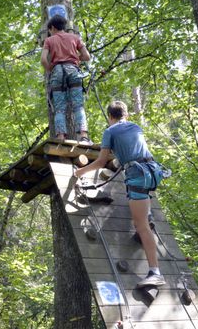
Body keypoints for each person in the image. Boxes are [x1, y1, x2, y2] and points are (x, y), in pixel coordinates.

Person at [75, 101, 165, 288]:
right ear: (126, 115)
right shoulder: (135, 127)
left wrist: (79, 173)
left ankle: (155, 273)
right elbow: (131, 151)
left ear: (110, 117)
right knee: (142, 211)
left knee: (140, 226)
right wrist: (115, 165)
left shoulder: (110, 131)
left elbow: (100, 162)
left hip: (138, 176)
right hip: (153, 172)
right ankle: (146, 216)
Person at [41, 15, 92, 143]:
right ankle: (83, 136)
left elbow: (43, 59)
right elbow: (86, 56)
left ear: (52, 27)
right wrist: (74, 58)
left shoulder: (49, 40)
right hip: (73, 70)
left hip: (57, 72)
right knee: (78, 106)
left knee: (59, 108)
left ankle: (61, 137)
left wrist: (50, 69)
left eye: (50, 30)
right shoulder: (75, 38)